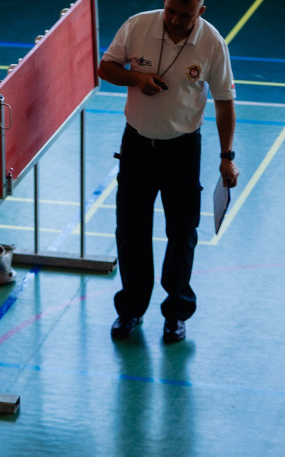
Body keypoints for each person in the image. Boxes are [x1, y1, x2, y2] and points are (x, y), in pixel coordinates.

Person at [99, 0, 239, 344]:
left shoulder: (212, 44)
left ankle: (176, 312)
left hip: (183, 150)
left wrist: (226, 156)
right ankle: (130, 308)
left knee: (182, 233)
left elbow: (224, 101)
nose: (175, 20)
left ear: (201, 11)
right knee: (131, 230)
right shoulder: (138, 26)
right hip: (136, 147)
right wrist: (136, 78)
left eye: (185, 15)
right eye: (170, 10)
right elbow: (106, 68)